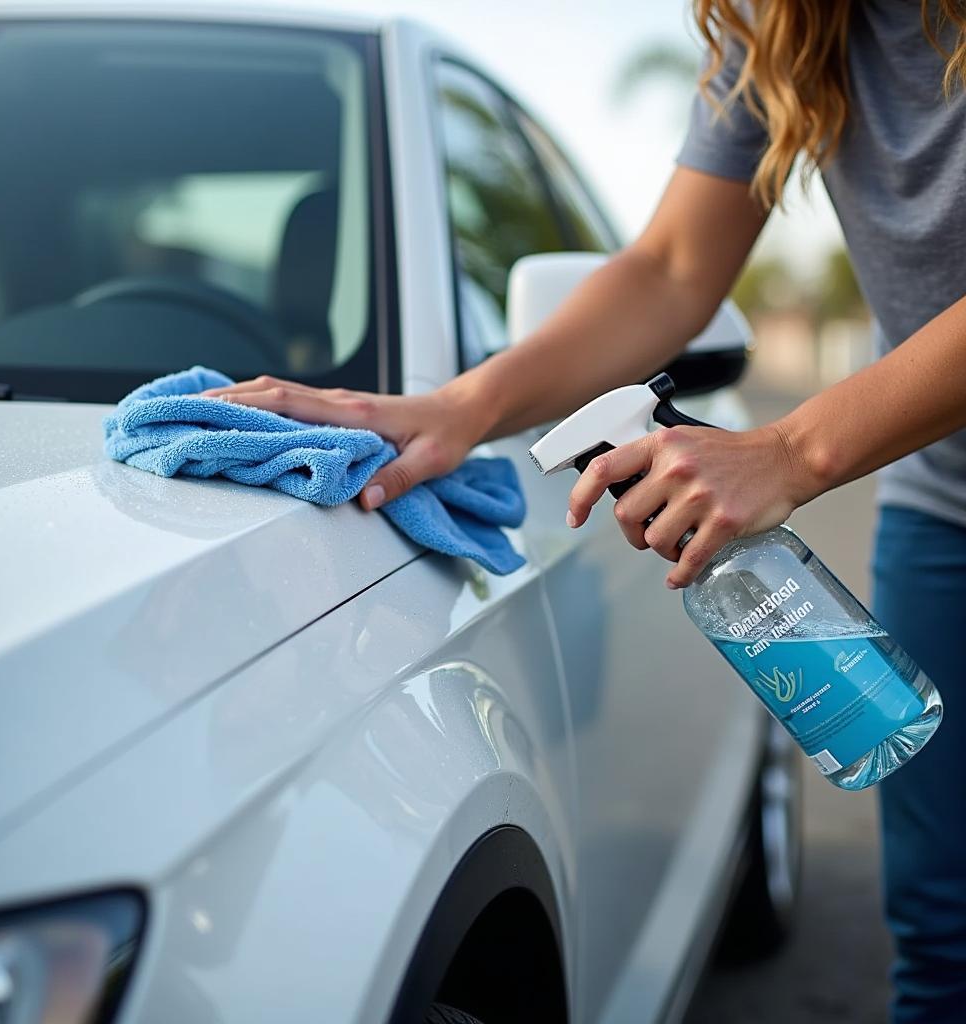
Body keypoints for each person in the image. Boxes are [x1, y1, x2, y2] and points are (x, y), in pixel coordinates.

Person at [203, 1, 966, 1019]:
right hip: (944, 500)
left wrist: (791, 446)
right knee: (944, 930)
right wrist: (459, 407)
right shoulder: (782, 25)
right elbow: (671, 267)